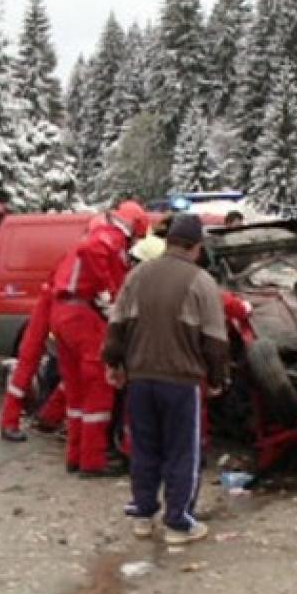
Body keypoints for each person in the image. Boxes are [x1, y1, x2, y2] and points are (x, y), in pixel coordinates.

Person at [102, 213, 228, 546]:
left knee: (144, 448)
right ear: (197, 247)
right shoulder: (201, 281)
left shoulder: (138, 274)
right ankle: (178, 523)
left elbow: (116, 324)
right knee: (182, 452)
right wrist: (217, 379)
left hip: (140, 379)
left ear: (169, 241)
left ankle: (143, 514)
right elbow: (215, 340)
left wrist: (113, 363)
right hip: (181, 382)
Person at [51, 201, 148, 477]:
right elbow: (92, 251)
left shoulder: (98, 233)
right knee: (99, 385)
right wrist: (110, 292)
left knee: (76, 393)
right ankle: (92, 462)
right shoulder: (110, 236)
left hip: (64, 313)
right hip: (81, 314)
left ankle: (76, 456)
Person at [0, 278, 66, 442]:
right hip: (61, 306)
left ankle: (47, 417)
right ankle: (43, 418)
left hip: (58, 304)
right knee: (28, 365)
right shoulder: (103, 254)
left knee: (28, 365)